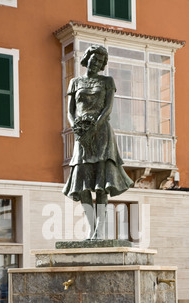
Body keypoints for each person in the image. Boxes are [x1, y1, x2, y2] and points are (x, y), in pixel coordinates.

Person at [63, 45, 133, 240]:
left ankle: (99, 231)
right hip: (82, 135)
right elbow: (70, 111)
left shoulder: (107, 81)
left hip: (101, 133)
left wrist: (94, 126)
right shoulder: (75, 83)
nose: (97, 63)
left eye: (101, 61)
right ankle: (92, 228)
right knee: (83, 184)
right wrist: (77, 128)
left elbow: (108, 108)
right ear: (87, 58)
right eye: (94, 59)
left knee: (102, 185)